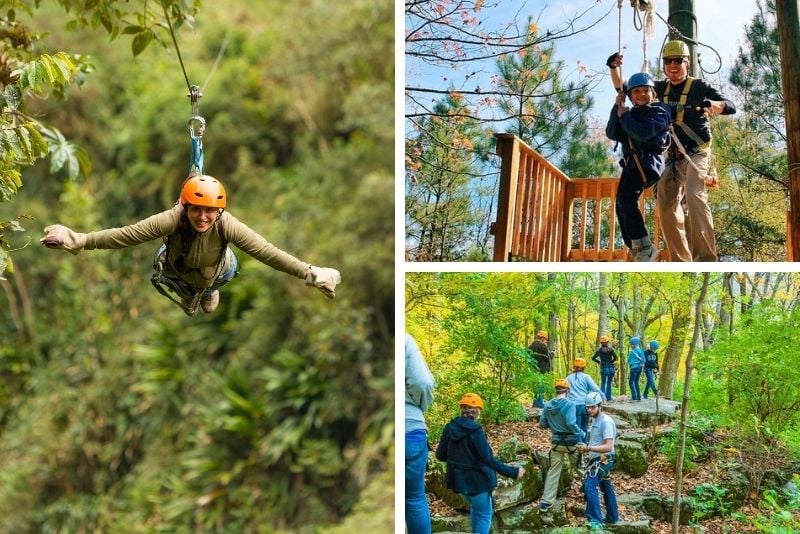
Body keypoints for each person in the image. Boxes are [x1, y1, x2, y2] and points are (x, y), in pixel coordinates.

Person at [40, 174, 341, 316]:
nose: (203, 216)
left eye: (210, 211)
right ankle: (193, 292)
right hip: (178, 269)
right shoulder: (173, 218)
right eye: (197, 209)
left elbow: (266, 251)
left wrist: (310, 272)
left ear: (219, 211)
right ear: (185, 207)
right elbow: (128, 234)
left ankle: (208, 291)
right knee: (162, 259)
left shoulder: (226, 224)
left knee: (217, 283)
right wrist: (80, 240)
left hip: (216, 271)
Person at [654, 40, 737, 262]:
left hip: (697, 152)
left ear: (687, 63)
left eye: (678, 61)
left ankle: (706, 258)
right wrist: (615, 69)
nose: (673, 65)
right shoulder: (659, 89)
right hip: (673, 156)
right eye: (668, 61)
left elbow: (729, 104)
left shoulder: (699, 87)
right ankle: (680, 260)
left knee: (693, 193)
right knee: (664, 198)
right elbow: (631, 90)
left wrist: (714, 105)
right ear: (664, 65)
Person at [605, 71, 671, 261]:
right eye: (636, 92)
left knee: (627, 201)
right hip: (633, 165)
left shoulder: (659, 111)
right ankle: (636, 247)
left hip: (647, 163)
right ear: (631, 96)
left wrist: (625, 116)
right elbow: (612, 132)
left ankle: (645, 248)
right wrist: (617, 106)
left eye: (645, 91)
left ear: (653, 93)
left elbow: (643, 133)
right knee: (621, 205)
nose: (641, 95)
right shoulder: (631, 114)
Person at [435, 393, 525, 534]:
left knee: (476, 509)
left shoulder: (450, 427)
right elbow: (487, 459)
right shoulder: (476, 431)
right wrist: (513, 471)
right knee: (484, 515)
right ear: (477, 411)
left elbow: (440, 455)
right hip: (477, 482)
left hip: (457, 482)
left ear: (462, 409)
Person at [538, 378, 586, 512]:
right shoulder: (570, 404)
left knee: (553, 471)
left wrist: (554, 424)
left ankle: (546, 502)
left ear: (556, 391)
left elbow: (542, 424)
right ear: (568, 391)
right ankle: (590, 493)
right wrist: (580, 432)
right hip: (571, 443)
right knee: (579, 468)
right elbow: (571, 423)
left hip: (556, 443)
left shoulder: (547, 405)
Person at [405, 334, 435, 534]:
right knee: (414, 498)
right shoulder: (404, 340)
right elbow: (422, 382)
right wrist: (419, 408)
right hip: (411, 429)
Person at [577, 392, 619, 528]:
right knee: (606, 485)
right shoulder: (595, 419)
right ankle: (612, 517)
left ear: (600, 406)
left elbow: (608, 446)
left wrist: (588, 448)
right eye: (587, 407)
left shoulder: (606, 422)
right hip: (597, 458)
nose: (589, 410)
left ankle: (595, 521)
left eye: (592, 407)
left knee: (590, 485)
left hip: (604, 458)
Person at [566, 358, 605, 435]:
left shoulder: (568, 378)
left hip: (573, 405)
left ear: (574, 367)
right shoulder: (586, 377)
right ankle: (584, 443)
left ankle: (578, 443)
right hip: (585, 405)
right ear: (584, 367)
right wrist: (602, 395)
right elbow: (595, 388)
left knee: (576, 426)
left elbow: (565, 391)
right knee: (584, 426)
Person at [527, 330, 554, 409]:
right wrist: (551, 354)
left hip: (534, 369)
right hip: (542, 370)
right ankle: (540, 404)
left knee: (536, 387)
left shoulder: (531, 346)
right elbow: (546, 358)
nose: (546, 341)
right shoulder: (542, 346)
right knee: (541, 387)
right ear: (542, 338)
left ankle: (536, 402)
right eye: (545, 339)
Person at [591, 336, 618, 401]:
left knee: (603, 383)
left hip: (603, 368)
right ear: (607, 342)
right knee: (609, 383)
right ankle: (608, 398)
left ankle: (602, 397)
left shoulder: (599, 351)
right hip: (610, 368)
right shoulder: (611, 350)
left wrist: (599, 362)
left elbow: (593, 358)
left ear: (601, 343)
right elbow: (616, 358)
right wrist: (611, 361)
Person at [627, 336, 645, 402]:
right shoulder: (641, 351)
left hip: (633, 368)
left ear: (634, 344)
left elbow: (628, 361)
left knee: (631, 382)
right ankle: (639, 397)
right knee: (636, 382)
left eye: (631, 344)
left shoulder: (632, 352)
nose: (631, 345)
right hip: (639, 368)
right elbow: (644, 360)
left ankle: (634, 397)